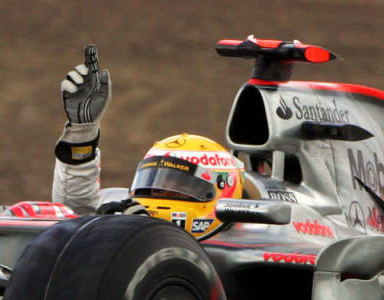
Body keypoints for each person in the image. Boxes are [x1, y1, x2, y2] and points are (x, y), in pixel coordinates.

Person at [52, 46, 243, 239]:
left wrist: (146, 237)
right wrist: (82, 131)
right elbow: (74, 212)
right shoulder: (123, 208)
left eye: (177, 187)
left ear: (221, 191)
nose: (159, 193)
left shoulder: (256, 237)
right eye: (153, 182)